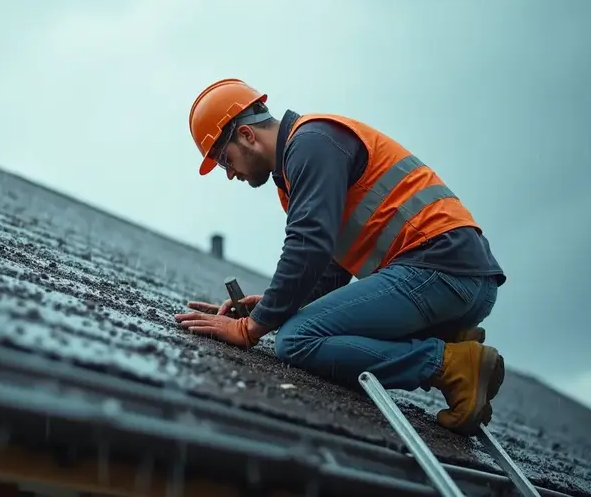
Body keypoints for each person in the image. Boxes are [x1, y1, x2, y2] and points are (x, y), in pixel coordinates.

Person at [176, 78, 507, 436]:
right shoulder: (299, 164)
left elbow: (308, 246)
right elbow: (329, 270)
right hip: (455, 278)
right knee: (297, 325)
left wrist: (250, 328)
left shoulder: (311, 144)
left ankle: (451, 366)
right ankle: (449, 336)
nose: (229, 174)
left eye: (225, 159)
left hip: (442, 271)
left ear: (247, 135)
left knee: (295, 340)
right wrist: (273, 307)